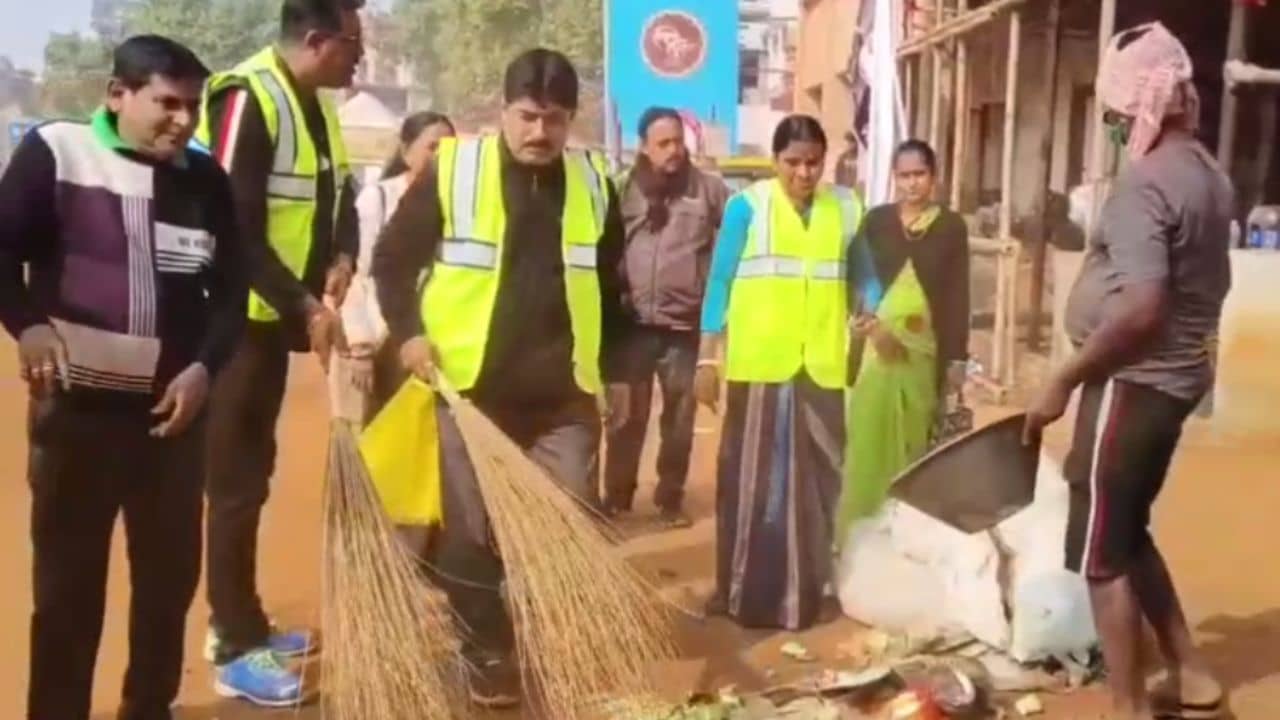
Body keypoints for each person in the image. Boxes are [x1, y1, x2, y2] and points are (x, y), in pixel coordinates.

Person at [372, 48, 628, 708]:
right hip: (467, 393)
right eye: (528, 117)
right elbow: (392, 261)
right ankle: (486, 648)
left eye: (555, 120)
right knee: (469, 534)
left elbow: (609, 285)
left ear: (573, 120)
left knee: (567, 520)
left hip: (565, 397)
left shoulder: (596, 181)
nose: (539, 133)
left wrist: (619, 374)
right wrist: (409, 332)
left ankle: (541, 630)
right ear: (503, 109)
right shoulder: (454, 169)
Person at [0, 36, 246, 720]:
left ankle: (148, 707)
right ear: (118, 95)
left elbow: (231, 292)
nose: (184, 120)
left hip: (172, 425)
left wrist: (203, 370)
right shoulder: (57, 152)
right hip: (75, 418)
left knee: (166, 591)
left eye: (193, 106)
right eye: (167, 103)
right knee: (67, 594)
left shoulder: (204, 179)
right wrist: (29, 325)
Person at [1023, 23, 1231, 720]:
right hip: (1171, 382)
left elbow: (1141, 308)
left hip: (1132, 383)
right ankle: (1191, 674)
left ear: (1137, 106)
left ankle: (1126, 705)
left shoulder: (1146, 186)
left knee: (1100, 553)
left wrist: (1065, 378)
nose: (1112, 127)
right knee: (1126, 525)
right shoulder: (1207, 171)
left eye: (1114, 114)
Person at [194, 0, 364, 706]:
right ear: (317, 40)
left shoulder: (318, 104)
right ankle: (231, 646)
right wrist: (302, 304)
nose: (363, 56)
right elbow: (232, 227)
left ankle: (248, 619)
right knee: (234, 484)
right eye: (354, 42)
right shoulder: (248, 97)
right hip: (232, 322)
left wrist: (342, 256)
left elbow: (341, 195)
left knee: (253, 475)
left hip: (274, 320)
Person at [694, 115, 880, 631]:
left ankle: (808, 592)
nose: (803, 172)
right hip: (760, 369)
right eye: (793, 162)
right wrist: (707, 358)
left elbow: (865, 272)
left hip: (819, 367)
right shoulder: (746, 208)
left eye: (813, 162)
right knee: (751, 485)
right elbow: (720, 283)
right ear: (775, 161)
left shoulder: (844, 208)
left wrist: (871, 306)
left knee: (820, 485)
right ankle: (742, 593)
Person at [835, 139, 970, 538]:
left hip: (923, 358)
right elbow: (856, 279)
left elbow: (956, 295)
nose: (912, 184)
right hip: (876, 354)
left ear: (934, 178)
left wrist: (957, 360)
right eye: (904, 175)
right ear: (894, 178)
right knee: (866, 446)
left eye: (920, 175)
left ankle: (903, 539)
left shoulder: (949, 227)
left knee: (915, 447)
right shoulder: (876, 222)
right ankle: (856, 537)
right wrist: (874, 330)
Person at [604, 107, 730, 527]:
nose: (675, 150)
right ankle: (617, 499)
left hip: (684, 327)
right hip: (632, 325)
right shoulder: (622, 190)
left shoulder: (709, 191)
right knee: (626, 417)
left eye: (679, 141)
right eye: (664, 143)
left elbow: (732, 243)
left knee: (679, 419)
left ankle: (669, 500)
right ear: (644, 147)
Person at [330, 111, 455, 425]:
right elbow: (360, 276)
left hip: (426, 343)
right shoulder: (378, 199)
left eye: (450, 148)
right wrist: (361, 346)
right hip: (376, 337)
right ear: (405, 151)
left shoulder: (457, 202)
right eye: (433, 147)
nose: (442, 156)